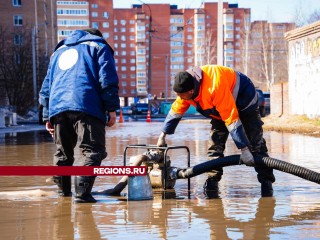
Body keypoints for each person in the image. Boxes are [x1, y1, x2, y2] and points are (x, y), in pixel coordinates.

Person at [157, 65, 275, 198]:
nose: (179, 97)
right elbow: (175, 112)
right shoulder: (185, 89)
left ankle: (266, 184)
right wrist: (162, 136)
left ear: (190, 91)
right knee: (215, 146)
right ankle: (212, 184)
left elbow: (231, 118)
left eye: (181, 95)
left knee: (256, 143)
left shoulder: (214, 87)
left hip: (244, 99)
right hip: (219, 108)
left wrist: (244, 150)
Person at [39, 28, 120, 203]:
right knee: (92, 151)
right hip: (87, 104)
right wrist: (112, 108)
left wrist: (47, 116)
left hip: (58, 107)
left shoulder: (58, 52)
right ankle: (82, 196)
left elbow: (47, 86)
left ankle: (63, 196)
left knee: (62, 154)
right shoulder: (98, 46)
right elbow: (107, 78)